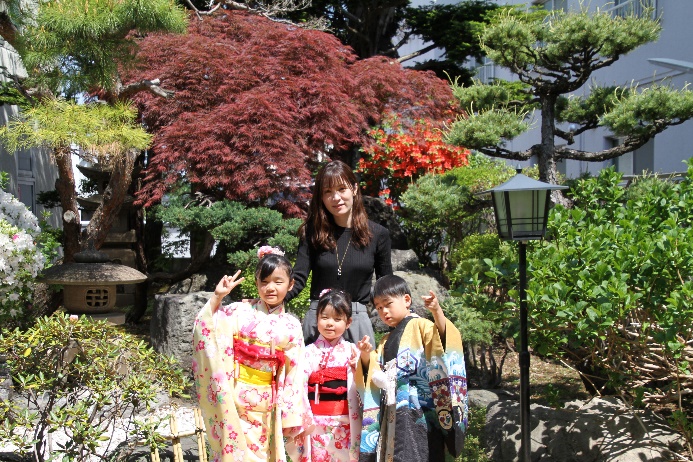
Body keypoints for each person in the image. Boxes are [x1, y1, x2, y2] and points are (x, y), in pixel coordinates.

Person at [192, 246, 313, 462]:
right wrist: (217, 297)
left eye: (278, 282)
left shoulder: (291, 325)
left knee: (260, 455)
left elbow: (294, 374)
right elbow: (207, 326)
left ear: (291, 284)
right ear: (256, 283)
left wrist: (290, 413)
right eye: (264, 282)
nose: (270, 288)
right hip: (234, 399)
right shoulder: (239, 311)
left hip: (266, 404)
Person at [357, 275, 468, 462]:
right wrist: (366, 355)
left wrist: (437, 312)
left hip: (419, 408)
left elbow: (443, 341)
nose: (384, 311)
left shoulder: (421, 325)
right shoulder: (384, 341)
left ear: (407, 300)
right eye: (379, 307)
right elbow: (373, 374)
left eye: (388, 304)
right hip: (392, 410)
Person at [287, 160, 393, 346]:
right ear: (321, 197)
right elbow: (298, 278)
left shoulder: (378, 234)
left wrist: (404, 318)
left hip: (356, 321)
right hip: (319, 320)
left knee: (361, 366)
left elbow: (386, 285)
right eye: (328, 192)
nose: (335, 197)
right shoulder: (312, 233)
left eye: (342, 189)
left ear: (354, 189)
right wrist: (268, 302)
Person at [302, 288, 371, 462]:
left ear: (348, 322)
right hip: (316, 423)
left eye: (337, 319)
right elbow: (299, 387)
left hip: (345, 422)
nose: (330, 323)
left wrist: (361, 362)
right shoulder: (307, 352)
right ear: (316, 318)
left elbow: (366, 382)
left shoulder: (352, 350)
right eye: (324, 317)